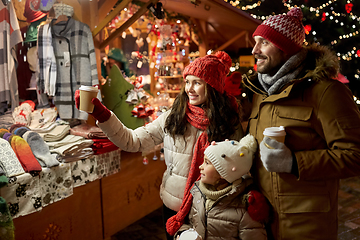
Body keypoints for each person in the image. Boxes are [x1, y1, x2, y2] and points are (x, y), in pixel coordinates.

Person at [75, 51, 244, 240]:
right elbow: (133, 141)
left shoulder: (228, 122)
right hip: (174, 207)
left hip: (213, 210)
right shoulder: (174, 116)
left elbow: (238, 170)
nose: (190, 89)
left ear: (213, 86)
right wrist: (102, 114)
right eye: (187, 81)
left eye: (197, 82)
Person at [242, 7, 360, 240]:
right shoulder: (259, 93)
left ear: (285, 47)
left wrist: (294, 162)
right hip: (262, 223)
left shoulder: (326, 92)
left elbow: (355, 154)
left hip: (306, 227)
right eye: (255, 42)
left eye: (263, 42)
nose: (255, 50)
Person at [174, 135, 268, 240]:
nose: (201, 167)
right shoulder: (198, 193)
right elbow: (191, 224)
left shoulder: (243, 209)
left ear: (222, 173)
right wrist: (183, 233)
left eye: (207, 163)